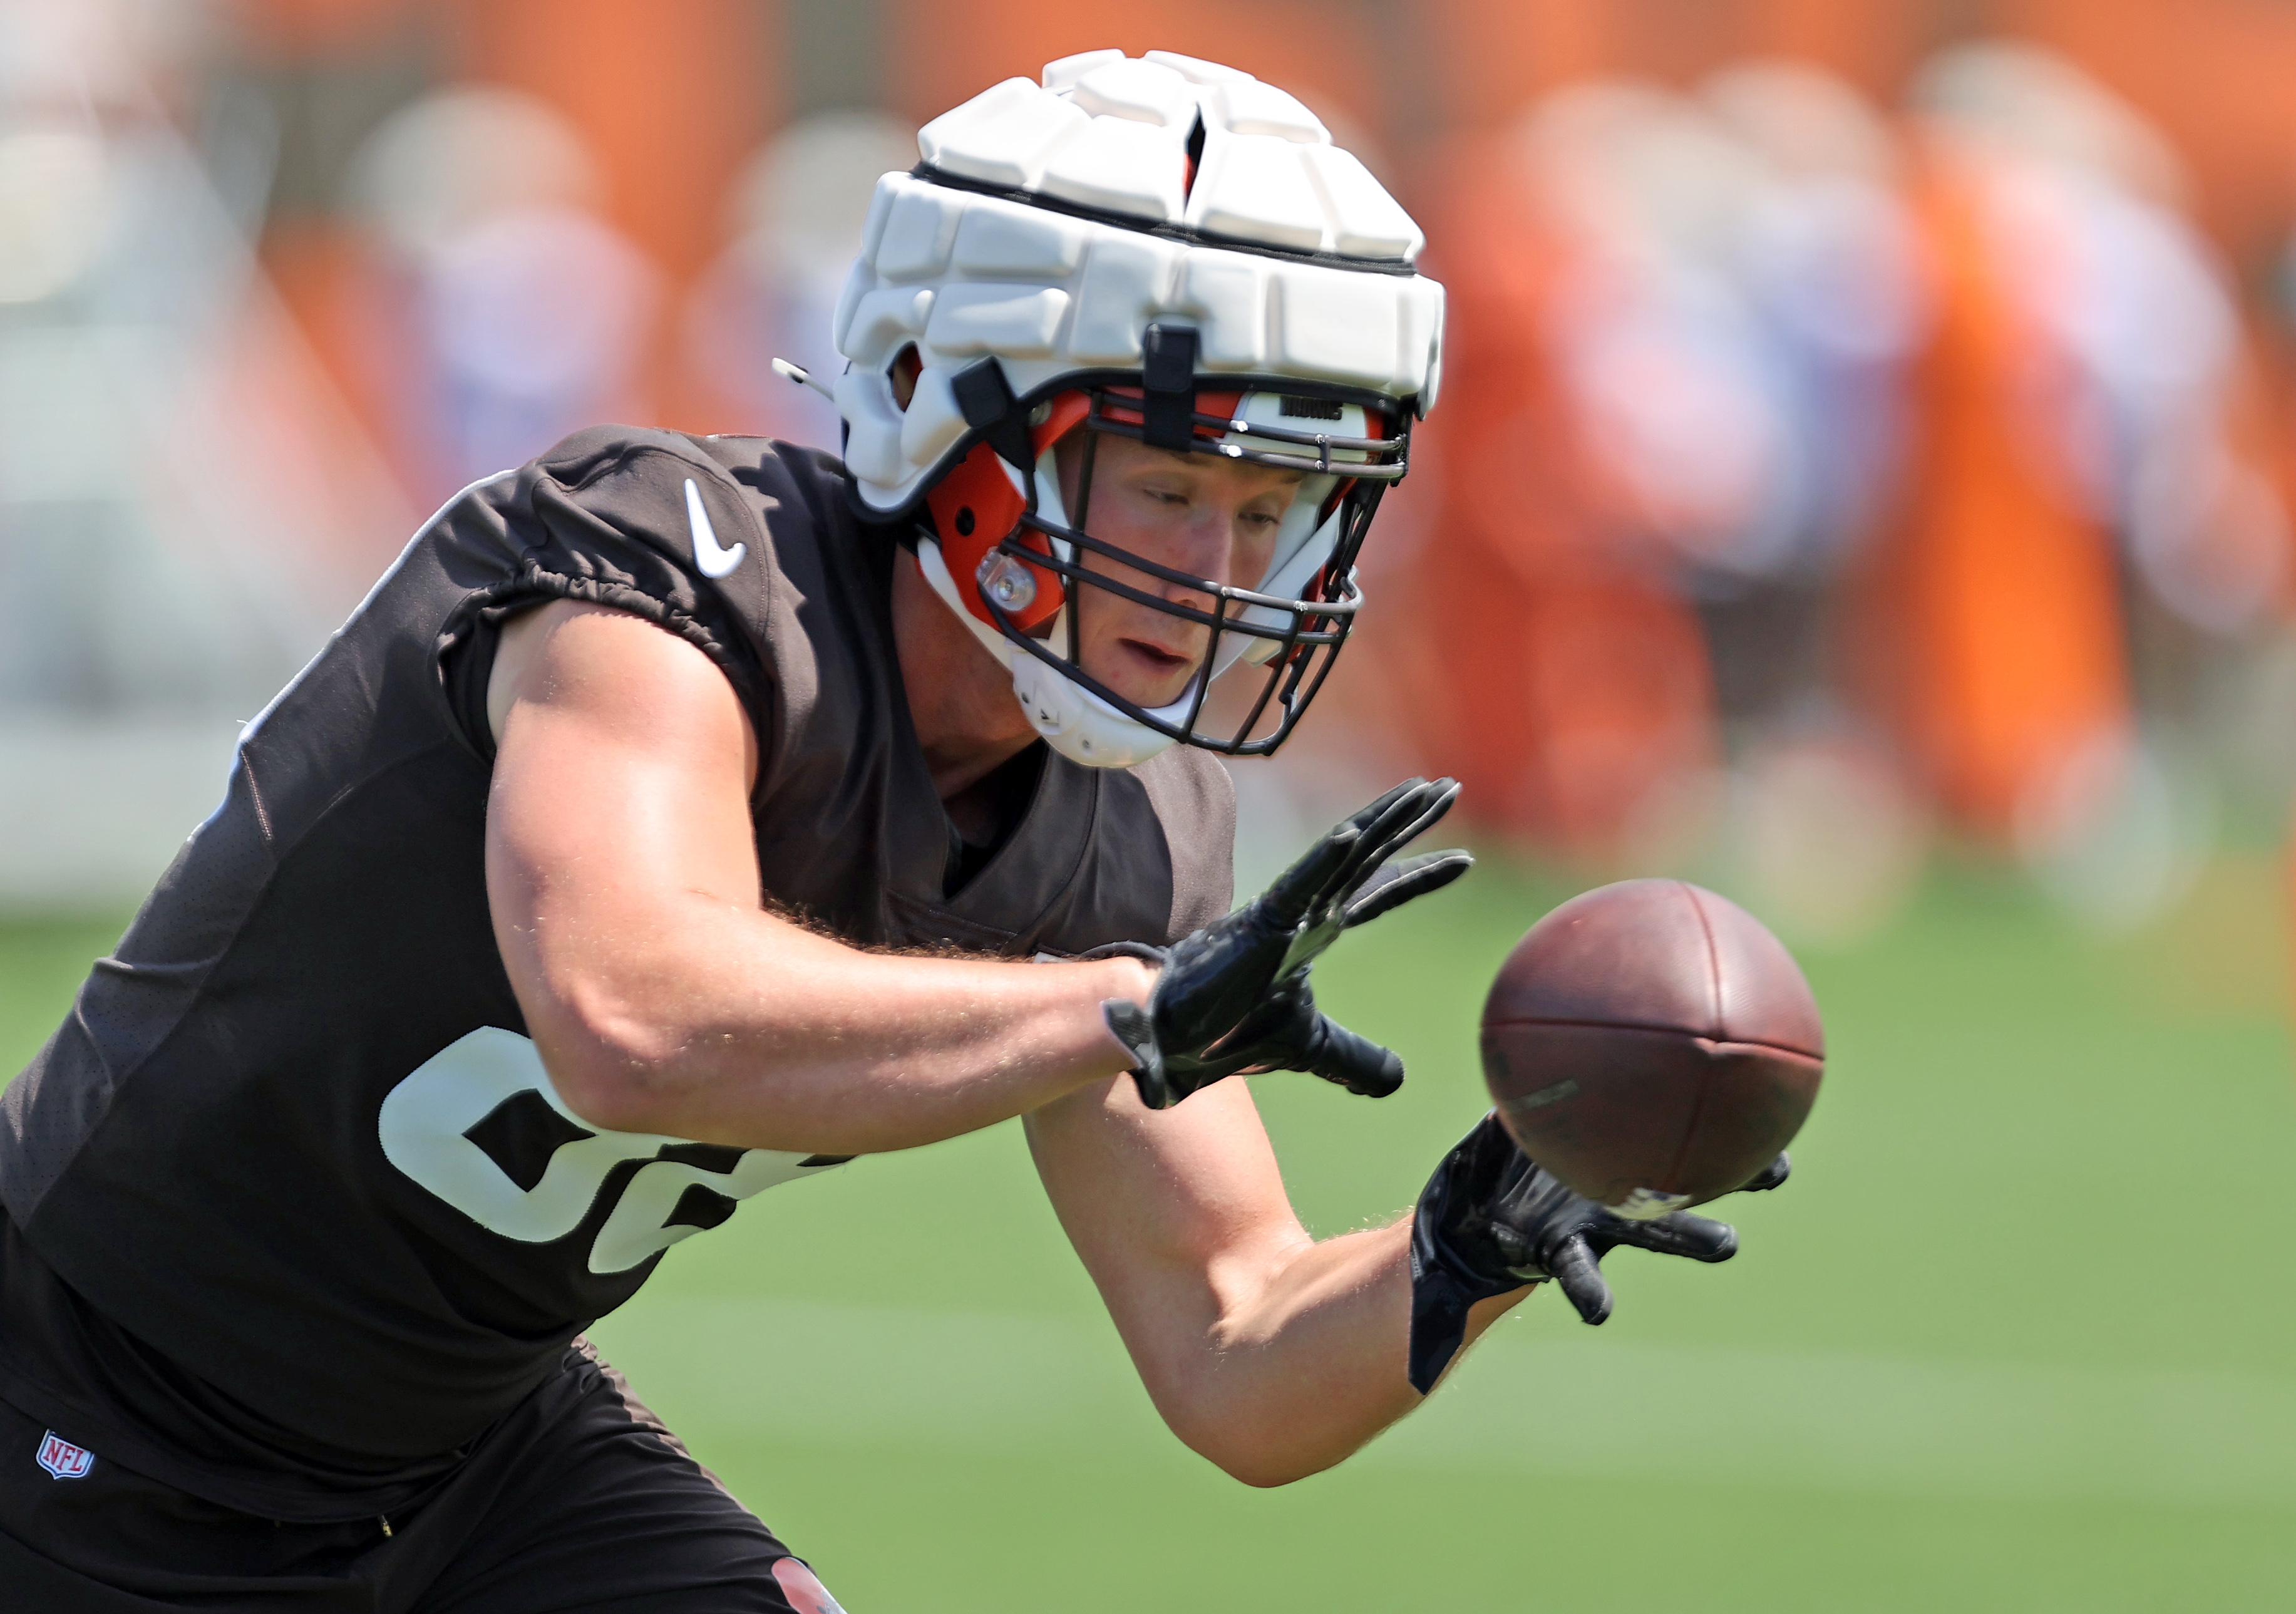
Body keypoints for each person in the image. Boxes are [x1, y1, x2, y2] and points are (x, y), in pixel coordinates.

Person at [0, 49, 1782, 1613]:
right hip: (89, 1407)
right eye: (1169, 484)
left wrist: (1461, 1248)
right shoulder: (657, 580)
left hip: (471, 1441)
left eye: (1275, 504)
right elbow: (630, 1015)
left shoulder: (1126, 823)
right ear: (952, 407)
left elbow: (1238, 1351)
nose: (1220, 571)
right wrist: (1124, 1014)